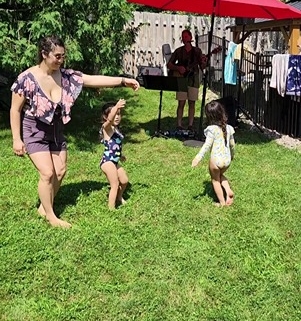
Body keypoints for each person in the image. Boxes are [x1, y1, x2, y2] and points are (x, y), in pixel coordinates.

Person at [10, 35, 140, 228]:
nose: (61, 60)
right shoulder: (26, 78)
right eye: (57, 56)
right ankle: (52, 216)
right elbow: (15, 109)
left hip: (56, 129)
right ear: (44, 54)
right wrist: (16, 139)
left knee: (60, 171)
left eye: (63, 56)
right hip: (34, 129)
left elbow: (92, 79)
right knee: (47, 173)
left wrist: (122, 81)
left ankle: (43, 208)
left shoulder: (65, 76)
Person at [192, 100, 235, 207]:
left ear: (209, 116)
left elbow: (206, 146)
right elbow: (232, 145)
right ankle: (228, 190)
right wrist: (232, 156)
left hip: (216, 161)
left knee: (215, 180)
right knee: (220, 175)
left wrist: (198, 158)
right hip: (227, 160)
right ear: (222, 112)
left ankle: (222, 203)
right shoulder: (229, 128)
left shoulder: (211, 129)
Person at [167, 29, 206, 131]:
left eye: (186, 36)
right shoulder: (178, 51)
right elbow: (169, 64)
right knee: (181, 102)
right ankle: (179, 124)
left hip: (193, 79)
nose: (184, 38)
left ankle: (190, 125)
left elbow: (202, 67)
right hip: (181, 79)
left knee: (192, 103)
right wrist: (178, 68)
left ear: (190, 37)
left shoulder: (197, 51)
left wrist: (204, 62)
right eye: (183, 37)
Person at [99, 99, 128, 209]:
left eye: (119, 114)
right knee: (115, 184)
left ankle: (119, 197)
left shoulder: (116, 130)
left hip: (115, 161)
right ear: (106, 117)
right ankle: (111, 209)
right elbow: (110, 120)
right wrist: (116, 107)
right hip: (107, 161)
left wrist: (121, 155)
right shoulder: (106, 128)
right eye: (114, 114)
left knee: (124, 181)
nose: (116, 116)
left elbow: (115, 146)